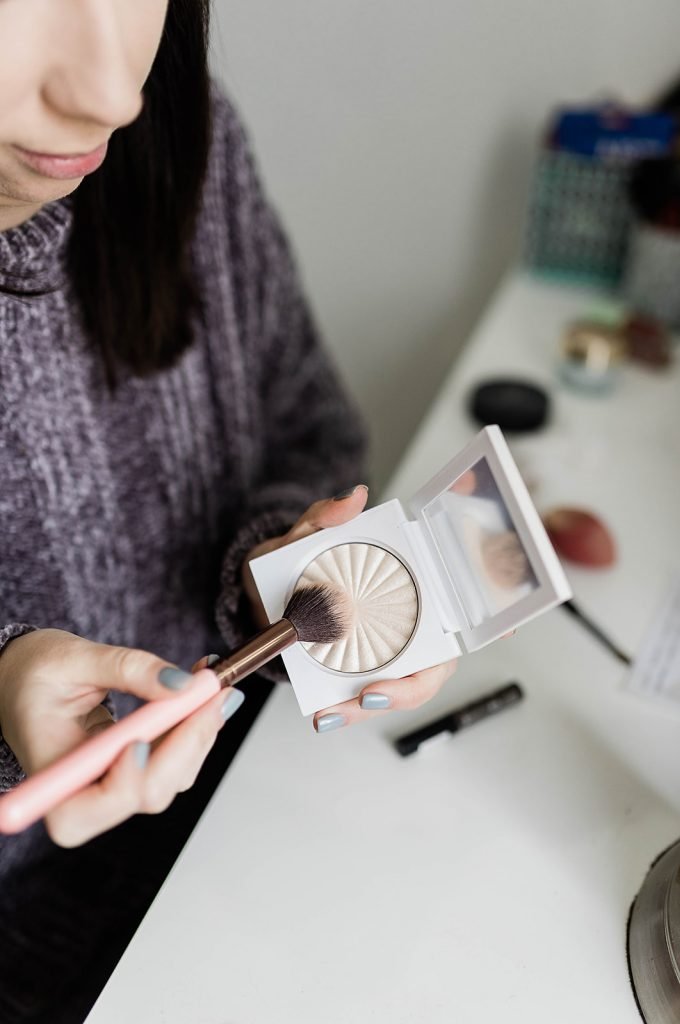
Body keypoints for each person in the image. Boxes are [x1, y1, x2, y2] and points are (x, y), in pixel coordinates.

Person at [0, 2, 456, 1019]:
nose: (111, 94)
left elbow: (311, 426)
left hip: (235, 840)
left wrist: (278, 573)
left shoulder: (180, 137)